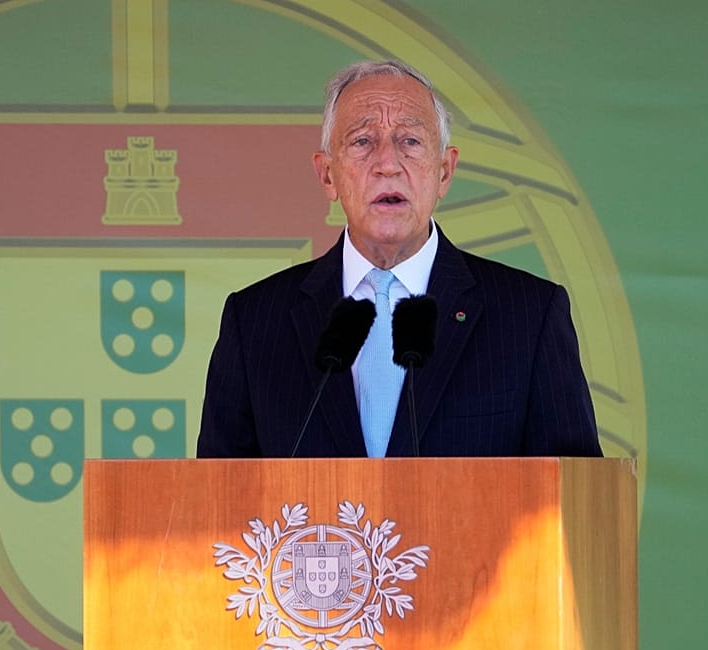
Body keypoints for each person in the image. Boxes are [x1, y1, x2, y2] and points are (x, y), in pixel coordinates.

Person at [196, 59, 602, 459]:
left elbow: (577, 497)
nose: (388, 164)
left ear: (444, 172)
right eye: (362, 141)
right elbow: (216, 504)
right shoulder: (253, 322)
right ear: (327, 175)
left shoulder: (529, 315)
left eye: (410, 141)